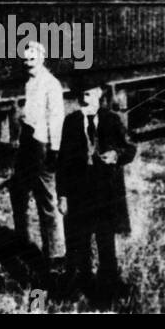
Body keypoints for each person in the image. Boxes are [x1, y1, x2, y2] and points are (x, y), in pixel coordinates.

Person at [58, 77, 136, 300]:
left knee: (106, 242)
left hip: (106, 194)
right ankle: (84, 284)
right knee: (80, 242)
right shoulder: (70, 122)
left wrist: (116, 155)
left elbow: (130, 148)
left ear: (100, 94)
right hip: (80, 194)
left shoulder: (112, 120)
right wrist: (62, 195)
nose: (84, 99)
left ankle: (109, 287)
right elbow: (62, 162)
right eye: (81, 95)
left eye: (89, 94)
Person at [9, 41, 67, 286]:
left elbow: (56, 118)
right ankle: (22, 240)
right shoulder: (30, 82)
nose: (27, 62)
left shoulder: (50, 84)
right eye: (25, 58)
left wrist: (55, 150)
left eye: (32, 58)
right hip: (29, 143)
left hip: (43, 146)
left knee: (46, 199)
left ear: (42, 58)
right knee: (18, 190)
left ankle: (55, 256)